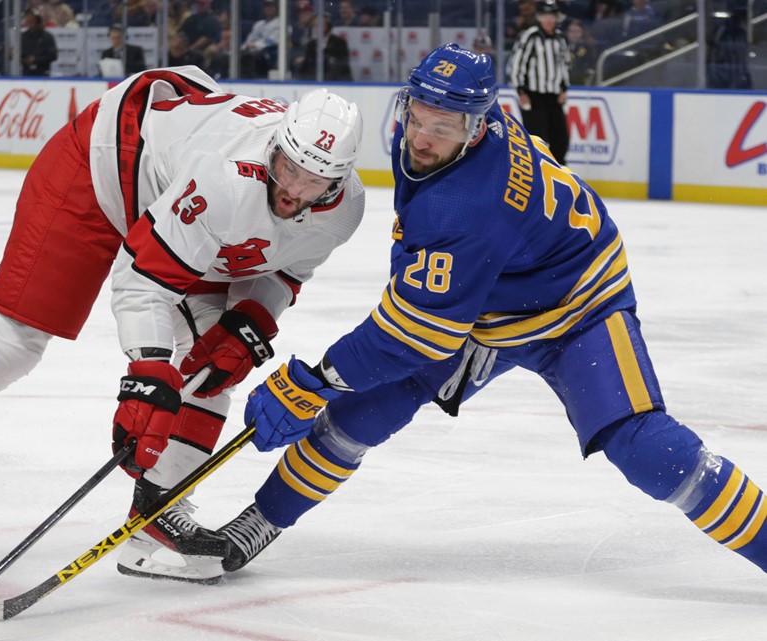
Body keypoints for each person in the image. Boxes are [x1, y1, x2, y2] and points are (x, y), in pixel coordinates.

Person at [212, 43, 767, 594]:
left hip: (579, 306)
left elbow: (412, 332)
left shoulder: (463, 207)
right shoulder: (452, 131)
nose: (424, 138)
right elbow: (424, 310)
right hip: (489, 299)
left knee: (643, 445)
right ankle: (264, 519)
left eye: (445, 127)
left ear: (478, 127)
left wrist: (314, 381)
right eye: (417, 116)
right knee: (365, 411)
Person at [0, 68, 365, 587]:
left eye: (315, 180)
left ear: (340, 180)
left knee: (213, 363)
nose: (294, 187)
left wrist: (255, 317)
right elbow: (145, 278)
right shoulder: (229, 179)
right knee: (16, 343)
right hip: (104, 165)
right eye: (287, 166)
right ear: (275, 146)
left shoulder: (345, 211)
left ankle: (156, 523)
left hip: (176, 191)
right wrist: (147, 368)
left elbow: (287, 267)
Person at [508, 0, 570, 164]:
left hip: (554, 97)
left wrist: (564, 89)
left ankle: (558, 175)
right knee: (537, 140)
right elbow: (516, 64)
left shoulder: (560, 38)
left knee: (561, 140)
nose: (549, 19)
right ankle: (537, 176)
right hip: (534, 96)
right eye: (545, 15)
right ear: (539, 17)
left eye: (552, 15)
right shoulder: (531, 36)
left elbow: (564, 65)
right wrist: (521, 91)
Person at [296, 14, 353, 82]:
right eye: (315, 26)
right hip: (315, 82)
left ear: (328, 26)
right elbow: (306, 68)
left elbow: (341, 64)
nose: (316, 28)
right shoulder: (311, 45)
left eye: (319, 25)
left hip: (337, 82)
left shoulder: (339, 43)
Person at [240, 0, 282, 79]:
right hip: (252, 53)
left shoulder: (281, 23)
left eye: (271, 6)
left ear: (276, 8)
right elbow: (249, 39)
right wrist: (245, 46)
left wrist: (255, 45)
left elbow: (273, 41)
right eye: (266, 6)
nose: (268, 9)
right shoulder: (259, 24)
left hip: (267, 54)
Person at [20, 8, 58, 76]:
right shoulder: (23, 36)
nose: (28, 24)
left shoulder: (47, 37)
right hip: (26, 74)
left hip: (43, 73)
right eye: (27, 21)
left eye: (31, 21)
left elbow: (53, 55)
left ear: (38, 22)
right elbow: (20, 54)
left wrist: (36, 59)